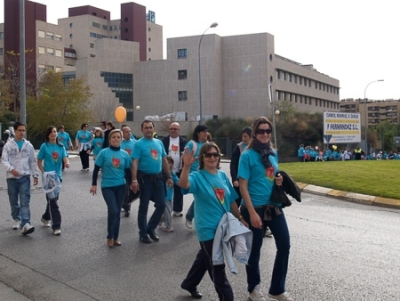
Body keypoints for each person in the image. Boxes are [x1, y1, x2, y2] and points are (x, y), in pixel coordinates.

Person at [180, 142, 244, 300]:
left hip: (223, 228)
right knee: (217, 267)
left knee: (204, 257)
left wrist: (241, 218)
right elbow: (184, 185)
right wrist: (186, 167)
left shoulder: (222, 175)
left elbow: (230, 201)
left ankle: (189, 283)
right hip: (207, 229)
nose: (212, 157)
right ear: (202, 158)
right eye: (208, 155)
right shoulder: (197, 176)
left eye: (215, 154)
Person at [238, 116, 293, 301]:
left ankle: (277, 289)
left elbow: (271, 175)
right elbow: (243, 186)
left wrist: (278, 180)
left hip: (273, 207)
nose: (265, 134)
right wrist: (252, 212)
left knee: (284, 244)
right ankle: (254, 288)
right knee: (255, 250)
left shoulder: (272, 153)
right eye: (261, 131)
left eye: (268, 131)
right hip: (254, 208)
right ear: (254, 133)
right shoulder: (247, 155)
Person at [129, 120, 172, 244]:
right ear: (142, 130)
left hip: (158, 178)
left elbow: (164, 160)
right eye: (146, 128)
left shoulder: (159, 143)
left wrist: (168, 176)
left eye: (150, 127)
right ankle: (143, 233)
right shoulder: (138, 144)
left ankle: (151, 228)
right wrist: (134, 180)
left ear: (154, 129)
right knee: (144, 206)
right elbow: (135, 162)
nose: (148, 129)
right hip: (144, 179)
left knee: (162, 204)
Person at [90, 129, 131, 248]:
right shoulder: (104, 153)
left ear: (121, 139)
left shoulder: (125, 154)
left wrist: (132, 184)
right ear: (109, 139)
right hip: (107, 186)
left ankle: (115, 237)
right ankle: (109, 236)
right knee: (113, 210)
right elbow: (96, 169)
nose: (116, 139)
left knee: (117, 212)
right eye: (114, 137)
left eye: (118, 137)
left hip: (121, 186)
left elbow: (128, 172)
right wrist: (93, 184)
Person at [2, 122, 39, 234]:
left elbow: (32, 161)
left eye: (23, 130)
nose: (22, 132)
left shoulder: (29, 146)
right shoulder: (8, 145)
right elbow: (4, 160)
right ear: (15, 131)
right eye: (20, 130)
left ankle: (26, 223)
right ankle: (16, 218)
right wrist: (11, 169)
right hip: (12, 177)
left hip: (24, 177)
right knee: (13, 201)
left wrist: (35, 175)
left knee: (24, 201)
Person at [37, 126, 70, 236]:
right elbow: (39, 161)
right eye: (51, 132)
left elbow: (65, 157)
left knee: (53, 200)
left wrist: (66, 162)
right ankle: (56, 226)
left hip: (58, 177)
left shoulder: (60, 146)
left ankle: (46, 217)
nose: (53, 134)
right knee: (53, 201)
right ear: (47, 134)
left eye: (55, 132)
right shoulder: (44, 146)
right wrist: (43, 172)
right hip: (48, 177)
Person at [184, 124, 209, 229]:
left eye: (206, 131)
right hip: (194, 175)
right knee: (201, 196)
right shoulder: (192, 144)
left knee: (204, 196)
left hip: (206, 174)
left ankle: (197, 218)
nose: (206, 134)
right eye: (203, 132)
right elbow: (185, 158)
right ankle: (190, 217)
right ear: (198, 133)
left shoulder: (208, 145)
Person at [161, 122, 187, 217]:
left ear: (179, 130)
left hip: (179, 169)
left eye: (175, 129)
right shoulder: (164, 141)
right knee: (166, 190)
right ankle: (165, 210)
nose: (173, 131)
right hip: (166, 170)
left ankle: (177, 210)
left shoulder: (183, 141)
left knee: (179, 190)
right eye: (171, 129)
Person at [230, 126, 252, 207]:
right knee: (236, 200)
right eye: (242, 136)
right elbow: (233, 164)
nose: (244, 138)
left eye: (246, 136)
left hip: (251, 180)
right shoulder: (239, 147)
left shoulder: (256, 147)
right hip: (240, 178)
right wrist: (234, 179)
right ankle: (233, 217)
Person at [159, 155, 180, 232]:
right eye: (167, 163)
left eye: (171, 163)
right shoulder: (160, 173)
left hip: (170, 196)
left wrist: (185, 183)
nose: (169, 164)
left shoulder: (172, 174)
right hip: (163, 196)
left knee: (169, 210)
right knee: (167, 211)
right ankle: (168, 226)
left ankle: (159, 219)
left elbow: (178, 182)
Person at [120, 125, 137, 217]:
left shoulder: (135, 143)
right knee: (124, 189)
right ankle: (124, 204)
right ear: (122, 133)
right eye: (126, 131)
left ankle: (127, 207)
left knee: (129, 190)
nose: (129, 133)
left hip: (132, 170)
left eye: (130, 131)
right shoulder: (120, 143)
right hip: (121, 170)